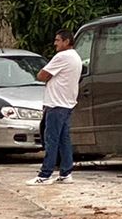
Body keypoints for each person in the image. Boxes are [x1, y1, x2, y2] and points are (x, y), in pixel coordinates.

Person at [34, 30, 84, 185]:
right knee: (64, 140)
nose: (55, 43)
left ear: (67, 41)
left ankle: (45, 175)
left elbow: (42, 75)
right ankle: (66, 173)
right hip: (67, 103)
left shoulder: (62, 56)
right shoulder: (76, 57)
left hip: (56, 104)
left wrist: (46, 75)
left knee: (52, 139)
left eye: (58, 40)